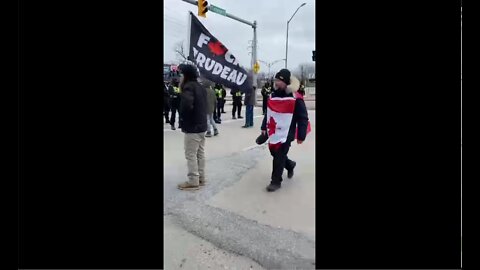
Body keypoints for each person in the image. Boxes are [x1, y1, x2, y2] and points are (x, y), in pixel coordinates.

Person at [260, 69, 309, 192]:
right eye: (275, 80)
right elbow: (268, 113)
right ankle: (290, 165)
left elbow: (303, 117)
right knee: (274, 152)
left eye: (279, 80)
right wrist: (263, 128)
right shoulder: (273, 95)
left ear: (286, 82)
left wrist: (301, 135)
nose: (276, 83)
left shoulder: (296, 98)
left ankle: (275, 181)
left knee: (279, 154)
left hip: (288, 132)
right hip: (275, 131)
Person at [177, 64, 208, 190]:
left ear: (186, 75)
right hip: (202, 126)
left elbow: (186, 107)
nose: (180, 77)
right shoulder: (201, 87)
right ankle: (201, 178)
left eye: (181, 74)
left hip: (193, 127)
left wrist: (183, 119)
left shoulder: (188, 87)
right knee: (200, 153)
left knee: (190, 154)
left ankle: (193, 180)